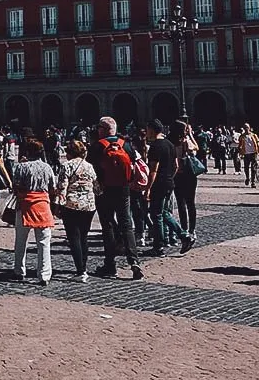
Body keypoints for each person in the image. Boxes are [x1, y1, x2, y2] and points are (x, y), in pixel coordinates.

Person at [88, 117, 143, 279]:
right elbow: (134, 163)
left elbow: (90, 169)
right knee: (126, 223)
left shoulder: (97, 146)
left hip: (104, 190)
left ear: (103, 129)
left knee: (108, 225)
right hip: (124, 189)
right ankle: (134, 262)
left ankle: (110, 265)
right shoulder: (125, 144)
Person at [12, 138, 57, 285]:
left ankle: (19, 270)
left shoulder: (21, 167)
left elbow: (15, 187)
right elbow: (52, 188)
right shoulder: (47, 167)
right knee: (44, 242)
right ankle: (44, 274)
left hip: (25, 205)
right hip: (43, 205)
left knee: (21, 240)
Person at [56, 139, 99, 282]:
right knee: (84, 236)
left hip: (72, 204)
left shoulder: (66, 166)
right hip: (89, 205)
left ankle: (80, 271)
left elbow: (62, 187)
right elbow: (97, 186)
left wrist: (58, 205)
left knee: (73, 237)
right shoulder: (89, 166)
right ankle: (84, 267)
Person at [146, 119, 189, 255]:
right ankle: (184, 235)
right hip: (169, 183)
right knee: (164, 212)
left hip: (158, 184)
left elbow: (154, 170)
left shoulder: (155, 146)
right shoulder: (169, 144)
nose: (146, 132)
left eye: (147, 130)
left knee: (156, 215)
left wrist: (147, 188)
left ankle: (158, 247)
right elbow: (176, 165)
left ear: (152, 130)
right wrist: (169, 176)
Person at [171, 121, 200, 245]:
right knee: (190, 203)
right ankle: (192, 230)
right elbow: (196, 148)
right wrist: (191, 135)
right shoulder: (186, 141)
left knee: (181, 204)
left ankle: (184, 230)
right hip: (189, 175)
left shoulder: (171, 142)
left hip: (177, 175)